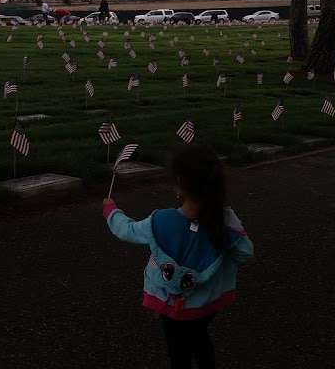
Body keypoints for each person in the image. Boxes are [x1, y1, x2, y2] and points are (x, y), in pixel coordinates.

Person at [102, 145, 254, 369]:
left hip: (172, 308)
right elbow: (244, 252)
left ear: (180, 183)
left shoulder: (160, 221)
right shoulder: (226, 221)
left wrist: (111, 211)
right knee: (200, 339)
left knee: (178, 352)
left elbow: (127, 230)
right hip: (207, 305)